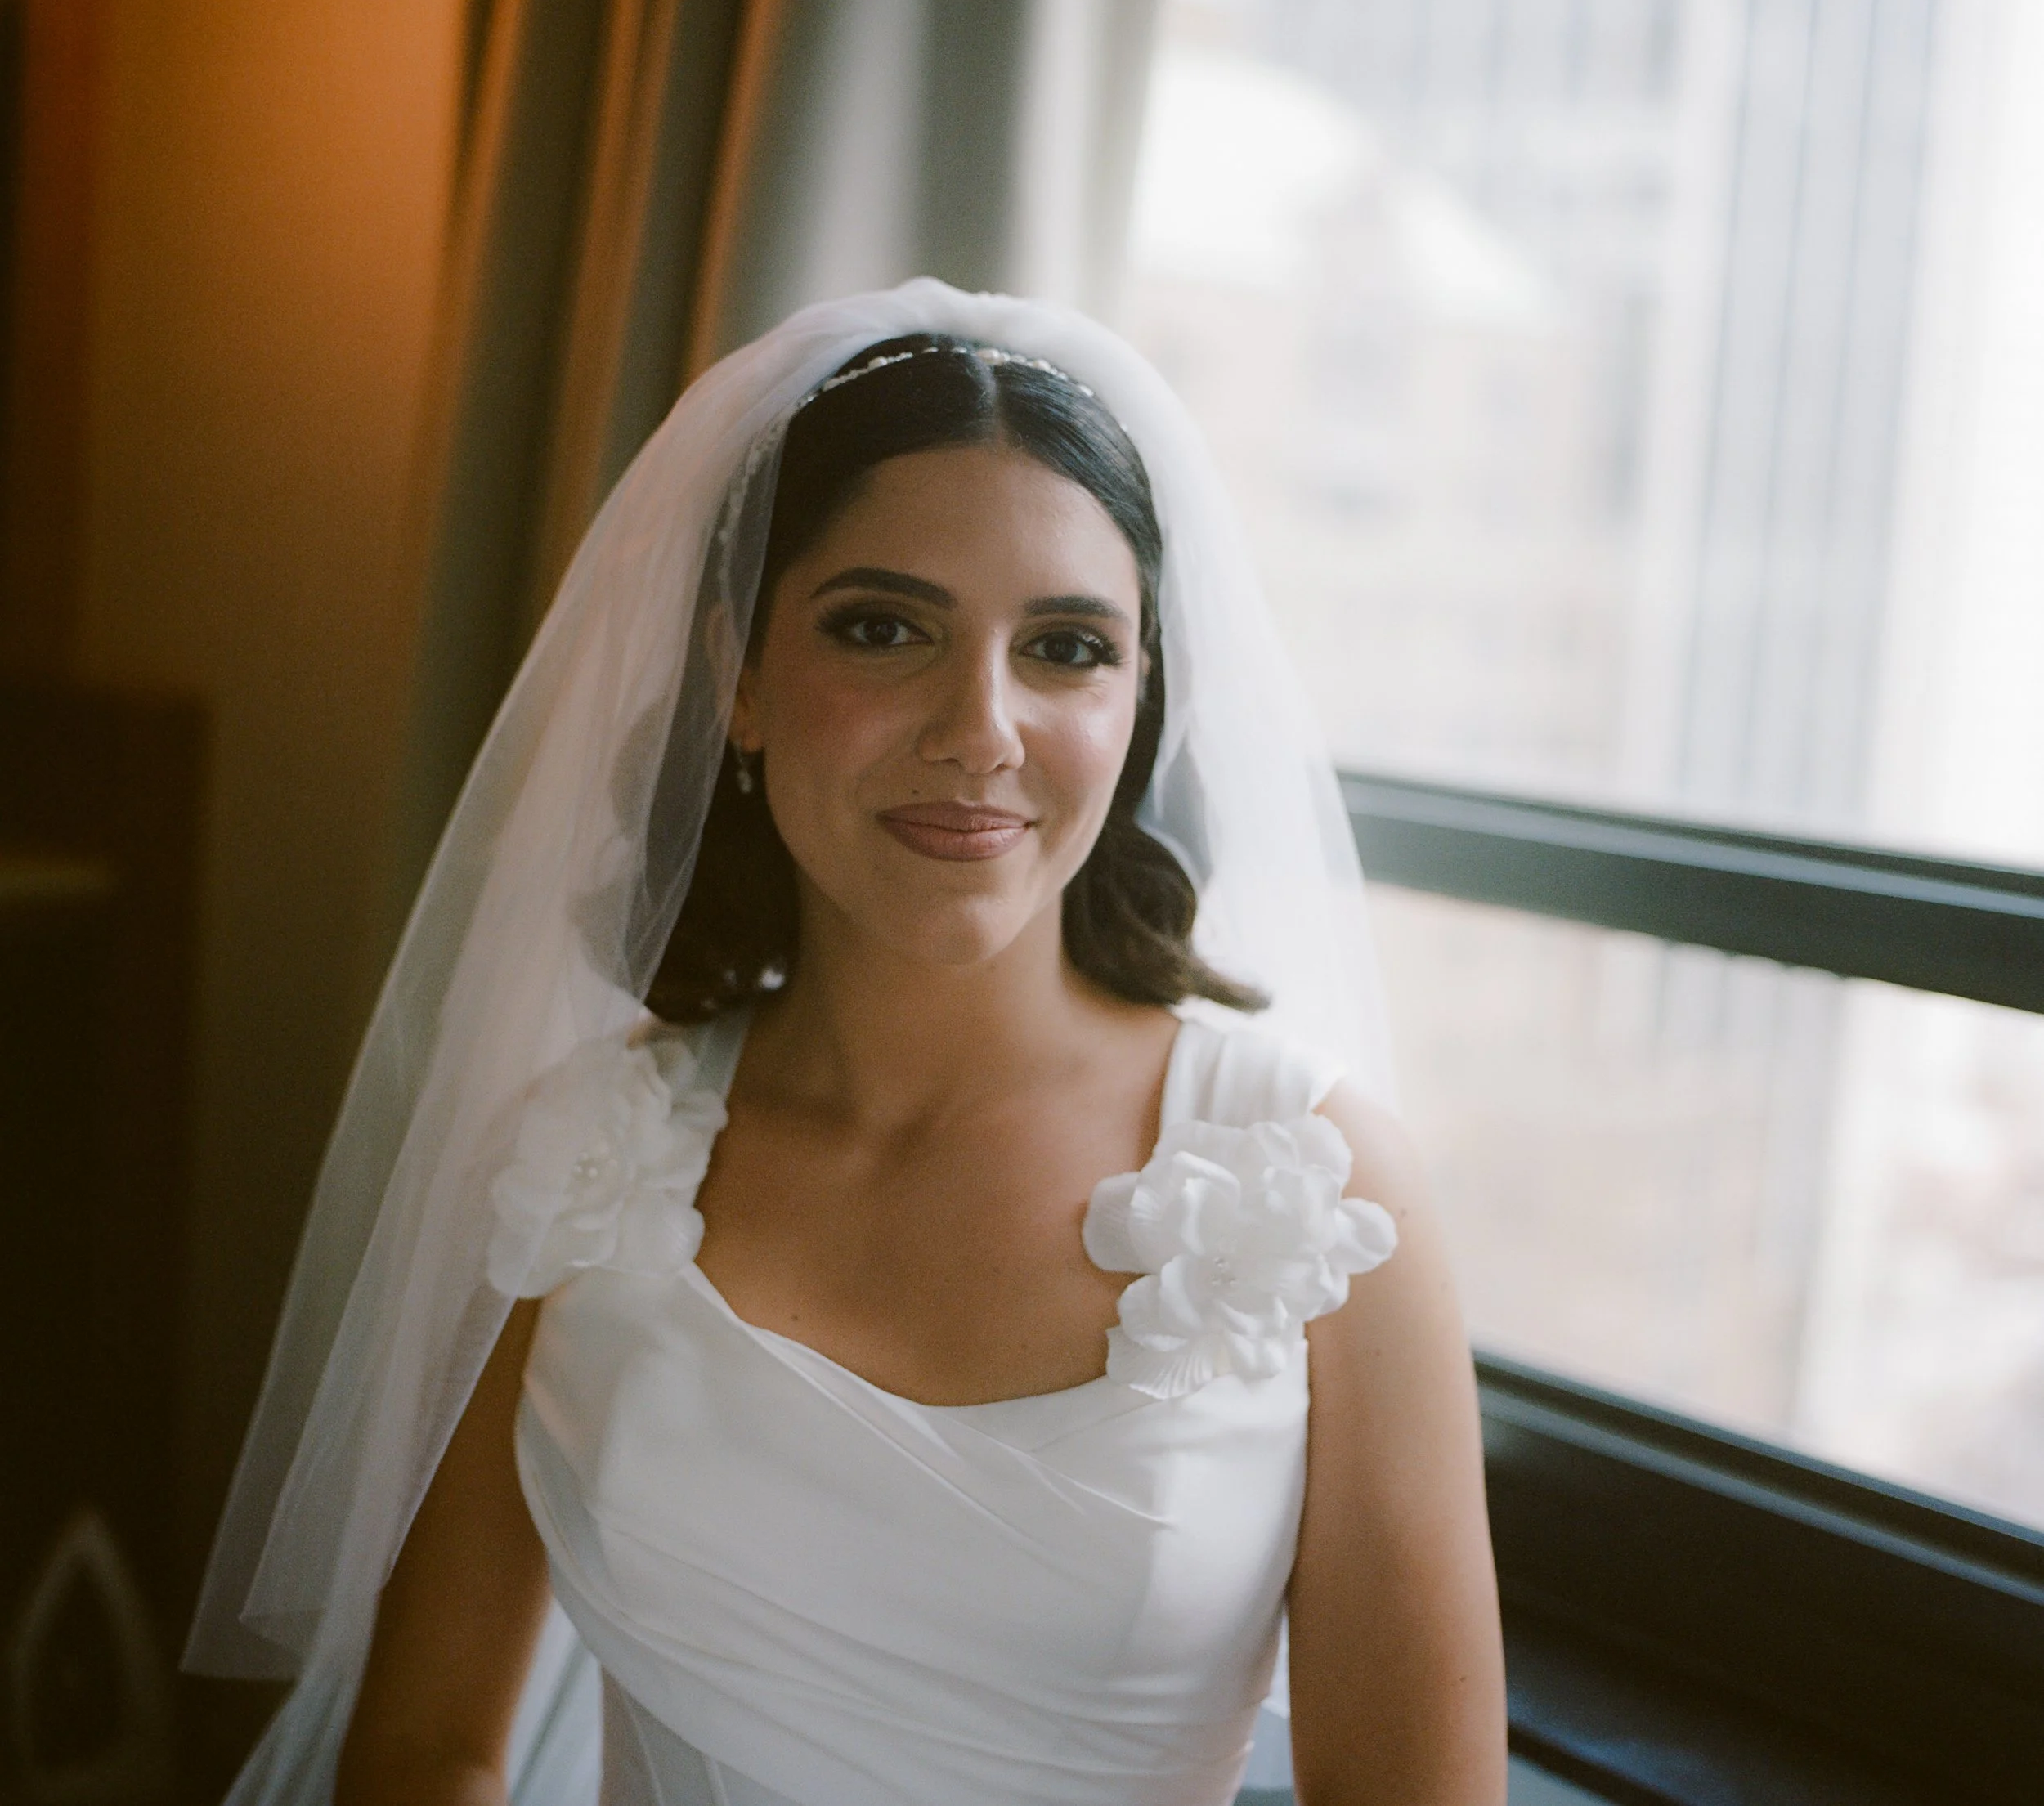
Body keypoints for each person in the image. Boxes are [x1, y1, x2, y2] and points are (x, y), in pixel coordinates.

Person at [188, 285, 1507, 1806]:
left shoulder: (1325, 1199)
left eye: (1067, 647)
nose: (982, 727)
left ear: (1139, 704)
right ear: (738, 681)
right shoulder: (569, 1165)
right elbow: (429, 1751)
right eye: (884, 628)